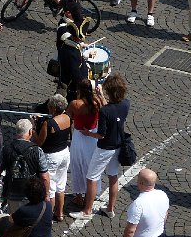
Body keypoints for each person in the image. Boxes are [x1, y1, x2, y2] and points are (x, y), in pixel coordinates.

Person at [71, 73, 129, 220]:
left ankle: (87, 210)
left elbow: (101, 134)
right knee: (113, 176)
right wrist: (101, 97)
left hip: (105, 148)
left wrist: (88, 133)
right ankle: (110, 208)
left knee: (91, 177)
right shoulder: (125, 104)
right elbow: (111, 110)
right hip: (118, 145)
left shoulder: (105, 111)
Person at [0, 119, 50, 213]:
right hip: (32, 193)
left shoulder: (6, 149)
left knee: (13, 218)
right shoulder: (37, 150)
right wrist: (46, 194)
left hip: (11, 191)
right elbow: (44, 177)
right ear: (30, 132)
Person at [33, 94, 71, 221]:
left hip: (51, 157)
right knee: (61, 185)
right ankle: (59, 213)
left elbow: (39, 142)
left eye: (49, 106)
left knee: (50, 188)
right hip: (64, 153)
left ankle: (48, 217)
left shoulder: (48, 124)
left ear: (54, 108)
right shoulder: (68, 117)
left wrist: (34, 128)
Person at [67, 79, 103, 209]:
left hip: (78, 136)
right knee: (91, 166)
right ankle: (90, 194)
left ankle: (78, 197)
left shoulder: (75, 103)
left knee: (77, 165)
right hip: (92, 137)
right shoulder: (97, 102)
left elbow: (68, 116)